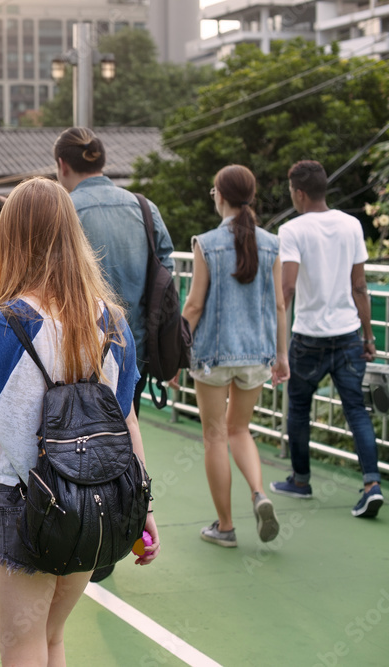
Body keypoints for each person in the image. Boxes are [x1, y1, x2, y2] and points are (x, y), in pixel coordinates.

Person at [0, 177, 159, 667]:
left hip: (28, 504)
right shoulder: (110, 323)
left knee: (20, 648)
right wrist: (143, 504)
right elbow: (128, 422)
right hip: (96, 500)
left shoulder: (3, 323)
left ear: (11, 239)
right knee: (53, 639)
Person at [53, 126, 173, 582]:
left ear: (63, 166)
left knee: (76, 445)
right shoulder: (143, 207)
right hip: (131, 348)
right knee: (126, 436)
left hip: (75, 350)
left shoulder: (67, 208)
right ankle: (120, 532)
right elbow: (166, 272)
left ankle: (86, 533)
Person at [181, 165, 289, 548]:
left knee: (214, 436)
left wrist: (178, 352)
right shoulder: (272, 244)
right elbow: (279, 305)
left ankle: (225, 527)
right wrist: (281, 356)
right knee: (239, 429)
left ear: (220, 196)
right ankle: (259, 493)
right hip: (256, 355)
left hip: (212, 355)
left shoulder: (206, 244)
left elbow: (193, 305)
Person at [270, 160, 383, 518]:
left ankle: (301, 480)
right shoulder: (351, 225)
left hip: (309, 336)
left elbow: (286, 288)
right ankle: (371, 485)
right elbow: (360, 286)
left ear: (299, 192)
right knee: (356, 411)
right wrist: (367, 336)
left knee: (299, 408)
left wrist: (277, 344)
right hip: (348, 332)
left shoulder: (292, 230)